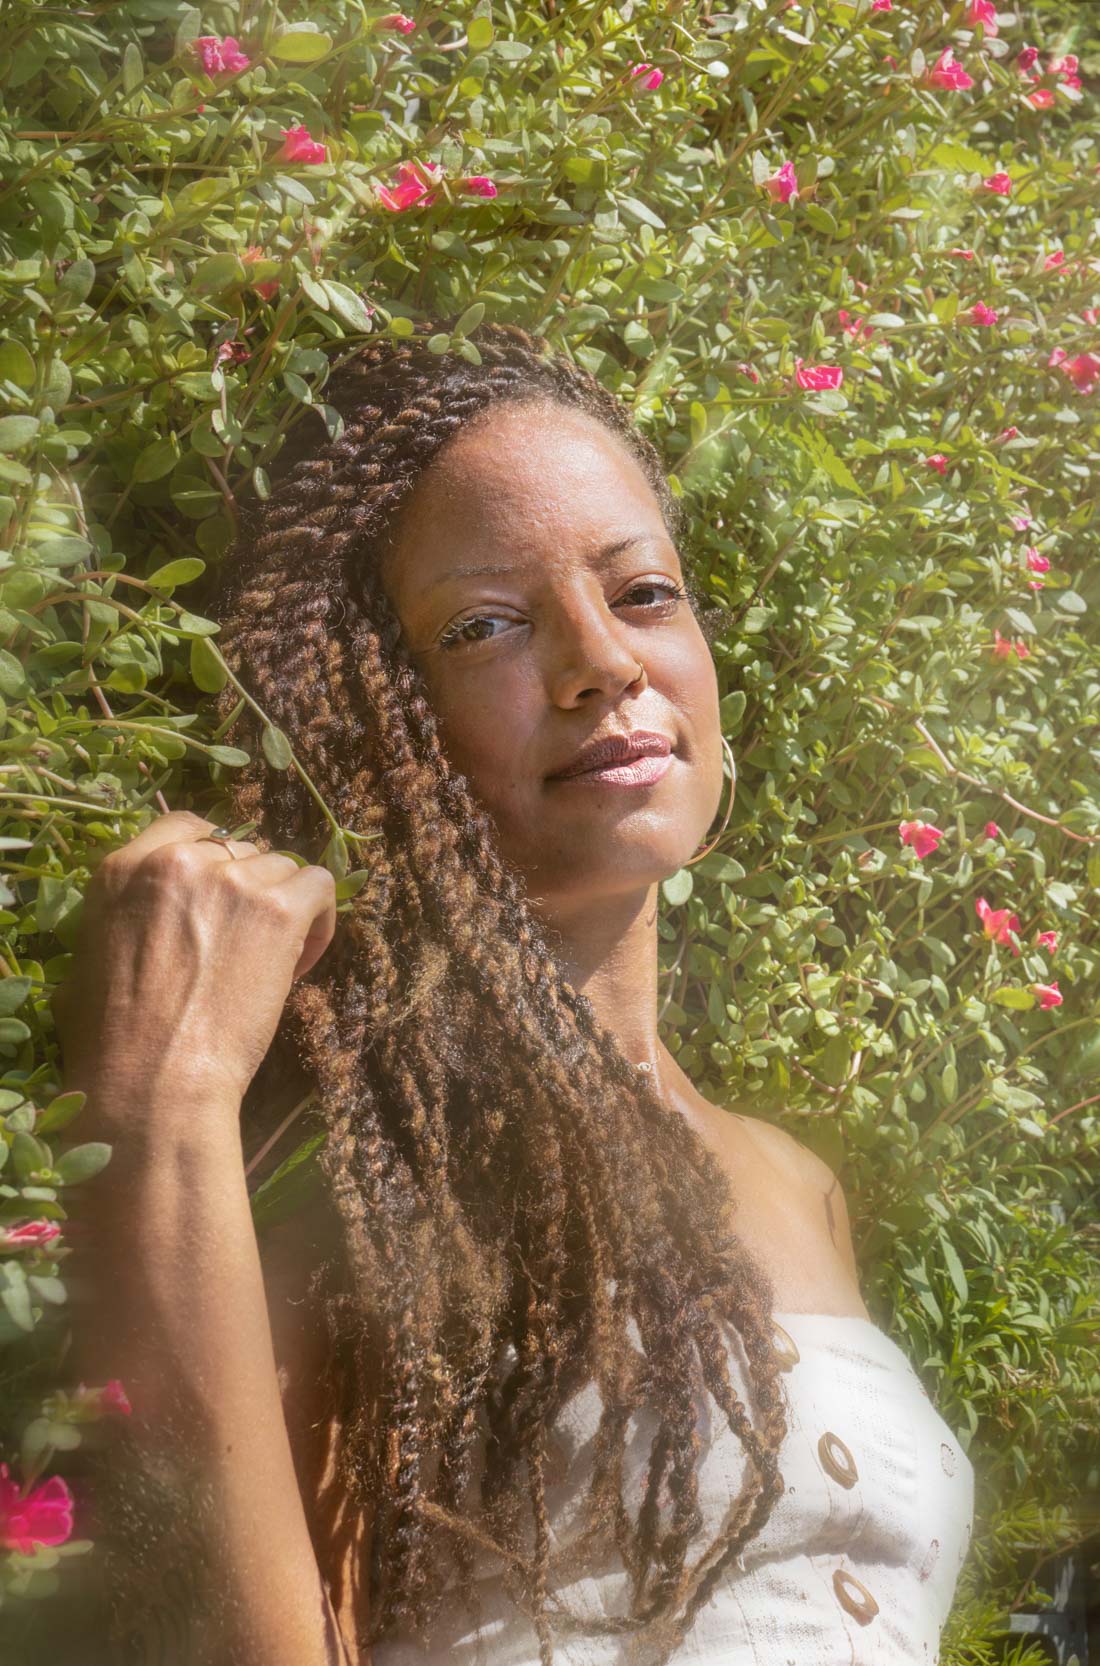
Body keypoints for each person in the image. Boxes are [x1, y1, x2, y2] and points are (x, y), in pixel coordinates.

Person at [51, 319, 973, 1666]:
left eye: (644, 592)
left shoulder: (794, 1179)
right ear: (379, 722)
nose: (604, 661)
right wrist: (156, 1104)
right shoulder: (352, 1187)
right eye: (487, 625)